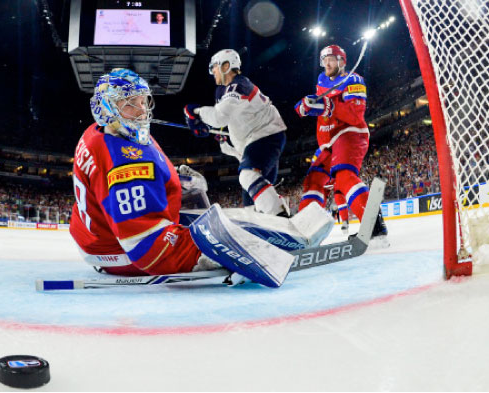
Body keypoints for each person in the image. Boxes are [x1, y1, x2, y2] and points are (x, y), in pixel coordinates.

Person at [69, 68, 317, 286]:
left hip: (98, 237)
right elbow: (147, 248)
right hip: (116, 251)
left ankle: (282, 227)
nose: (142, 111)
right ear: (106, 109)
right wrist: (217, 253)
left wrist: (173, 182)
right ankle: (286, 237)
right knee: (224, 227)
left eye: (143, 101)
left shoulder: (101, 131)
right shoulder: (124, 164)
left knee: (215, 214)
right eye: (129, 103)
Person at [294, 44, 388, 243]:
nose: (326, 63)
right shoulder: (321, 81)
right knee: (313, 181)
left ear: (342, 61)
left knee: (344, 176)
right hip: (327, 143)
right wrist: (304, 106)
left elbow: (355, 114)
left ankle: (374, 227)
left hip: (349, 132)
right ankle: (303, 233)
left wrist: (328, 106)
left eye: (331, 58)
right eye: (324, 59)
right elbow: (319, 106)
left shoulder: (354, 80)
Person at [183, 49, 289, 216]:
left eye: (215, 67)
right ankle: (263, 229)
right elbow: (223, 119)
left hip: (265, 137)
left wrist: (194, 112)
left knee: (247, 176)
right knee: (249, 202)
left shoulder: (238, 85)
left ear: (226, 66)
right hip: (256, 140)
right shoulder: (225, 91)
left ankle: (281, 216)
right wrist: (211, 130)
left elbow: (219, 118)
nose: (212, 72)